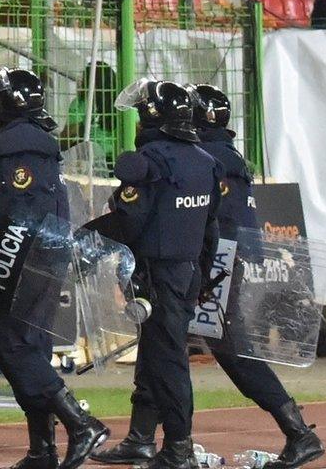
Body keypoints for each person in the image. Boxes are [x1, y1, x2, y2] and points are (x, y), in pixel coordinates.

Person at [0, 67, 111, 469]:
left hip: (24, 251)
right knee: (31, 348)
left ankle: (81, 425)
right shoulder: (28, 139)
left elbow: (20, 206)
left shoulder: (17, 142)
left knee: (13, 346)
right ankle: (42, 450)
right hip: (38, 250)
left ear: (10, 103)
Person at [183, 84, 324, 469]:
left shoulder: (209, 157)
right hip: (224, 263)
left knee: (231, 354)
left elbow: (212, 222)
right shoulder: (225, 154)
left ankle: (298, 432)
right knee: (167, 350)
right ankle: (147, 437)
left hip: (217, 265)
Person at [88, 80, 222, 469]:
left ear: (151, 116)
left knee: (168, 361)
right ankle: (142, 438)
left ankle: (179, 448)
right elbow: (210, 228)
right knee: (156, 356)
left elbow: (130, 221)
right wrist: (201, 276)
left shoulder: (149, 161)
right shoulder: (205, 161)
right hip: (187, 272)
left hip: (156, 275)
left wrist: (89, 235)